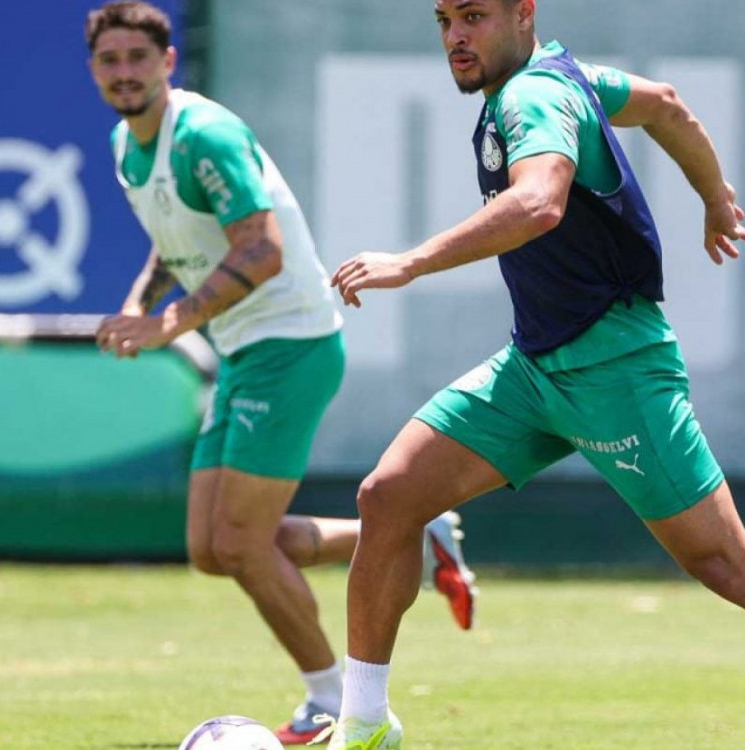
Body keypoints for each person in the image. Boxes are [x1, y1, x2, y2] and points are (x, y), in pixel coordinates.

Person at [323, 1, 745, 749]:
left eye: (474, 16)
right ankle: (362, 725)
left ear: (523, 14)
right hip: (533, 366)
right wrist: (714, 198)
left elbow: (539, 202)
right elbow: (666, 106)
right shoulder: (568, 76)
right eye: (444, 18)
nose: (454, 36)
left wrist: (409, 261)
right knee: (389, 497)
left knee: (724, 561)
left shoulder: (533, 95)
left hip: (615, 368)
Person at [84, 3, 477, 744]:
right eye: (111, 61)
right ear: (95, 70)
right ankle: (416, 541)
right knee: (213, 547)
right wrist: (139, 304)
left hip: (289, 343)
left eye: (139, 57)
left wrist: (168, 324)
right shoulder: (124, 146)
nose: (125, 72)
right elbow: (180, 241)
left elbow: (259, 250)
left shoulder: (204, 135)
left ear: (168, 64)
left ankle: (333, 699)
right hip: (241, 349)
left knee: (240, 543)